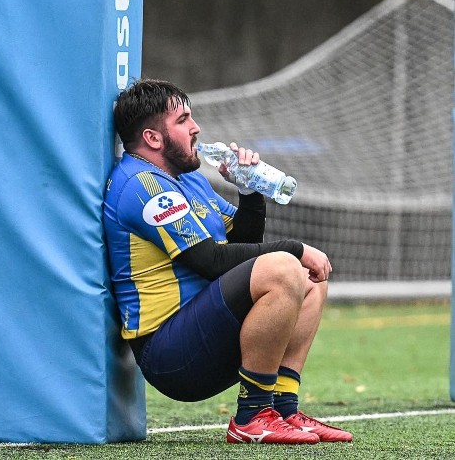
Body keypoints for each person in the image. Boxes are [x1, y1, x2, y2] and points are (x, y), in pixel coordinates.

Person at [103, 79, 353, 445]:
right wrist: (295, 248)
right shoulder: (142, 185)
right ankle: (252, 417)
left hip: (205, 333)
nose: (196, 128)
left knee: (307, 279)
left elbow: (240, 247)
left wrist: (249, 190)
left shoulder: (186, 178)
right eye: (183, 119)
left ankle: (283, 410)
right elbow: (210, 261)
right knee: (285, 265)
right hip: (170, 354)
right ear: (153, 139)